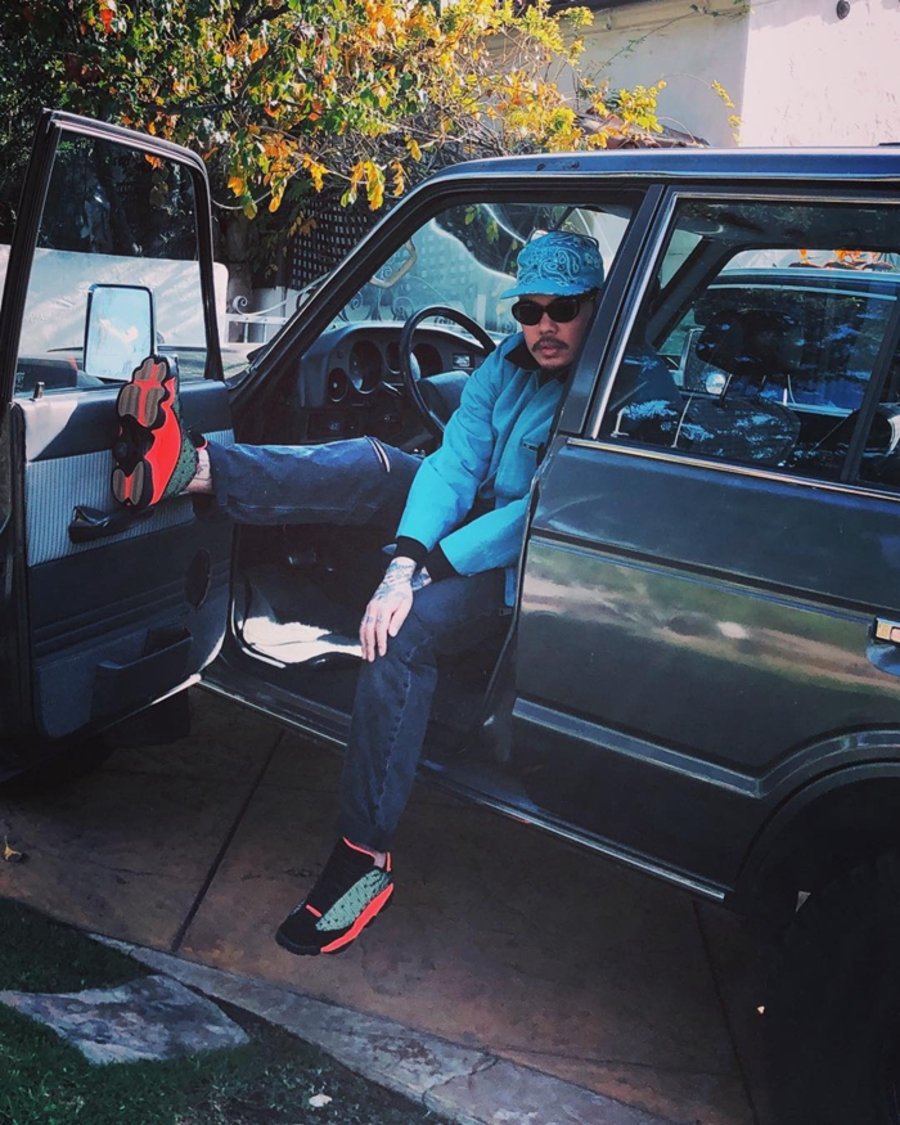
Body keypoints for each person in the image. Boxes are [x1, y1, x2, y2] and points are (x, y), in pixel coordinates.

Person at [111, 231, 605, 956]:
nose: (544, 326)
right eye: (529, 310)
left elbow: (539, 510)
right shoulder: (506, 364)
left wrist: (431, 567)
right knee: (373, 463)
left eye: (562, 309)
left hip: (527, 567)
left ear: (596, 306)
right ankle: (190, 468)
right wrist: (403, 563)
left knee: (398, 634)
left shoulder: (615, 385)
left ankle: (364, 856)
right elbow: (453, 465)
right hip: (468, 526)